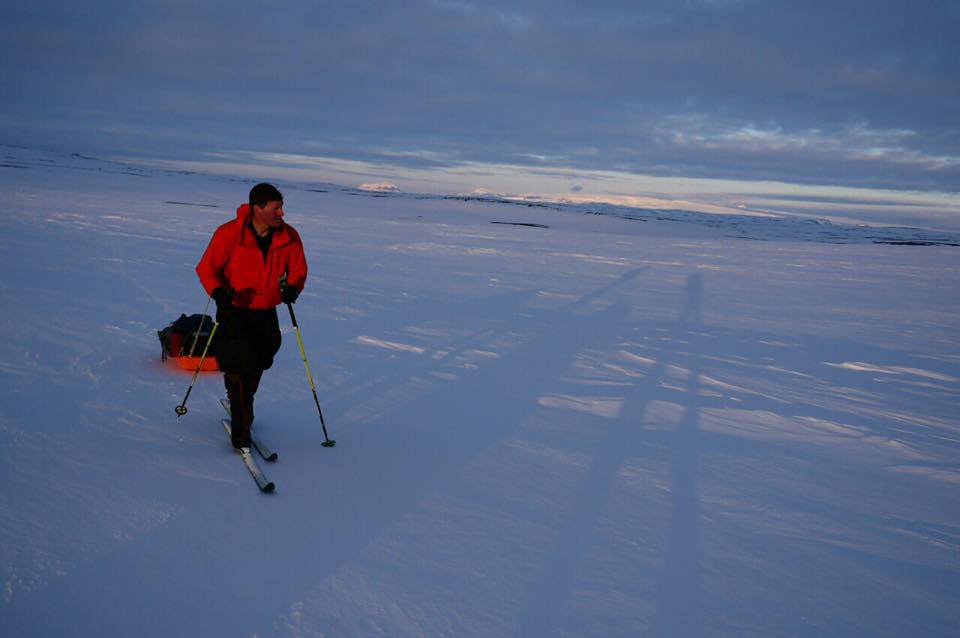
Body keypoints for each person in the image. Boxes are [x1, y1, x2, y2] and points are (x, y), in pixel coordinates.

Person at [196, 183, 307, 449]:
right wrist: (220, 295)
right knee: (237, 363)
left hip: (266, 310)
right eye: (276, 208)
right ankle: (240, 421)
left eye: (281, 208)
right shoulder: (229, 233)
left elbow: (299, 270)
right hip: (235, 310)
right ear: (257, 208)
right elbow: (206, 268)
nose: (281, 213)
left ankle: (246, 402)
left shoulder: (289, 236)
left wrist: (293, 288)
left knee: (260, 360)